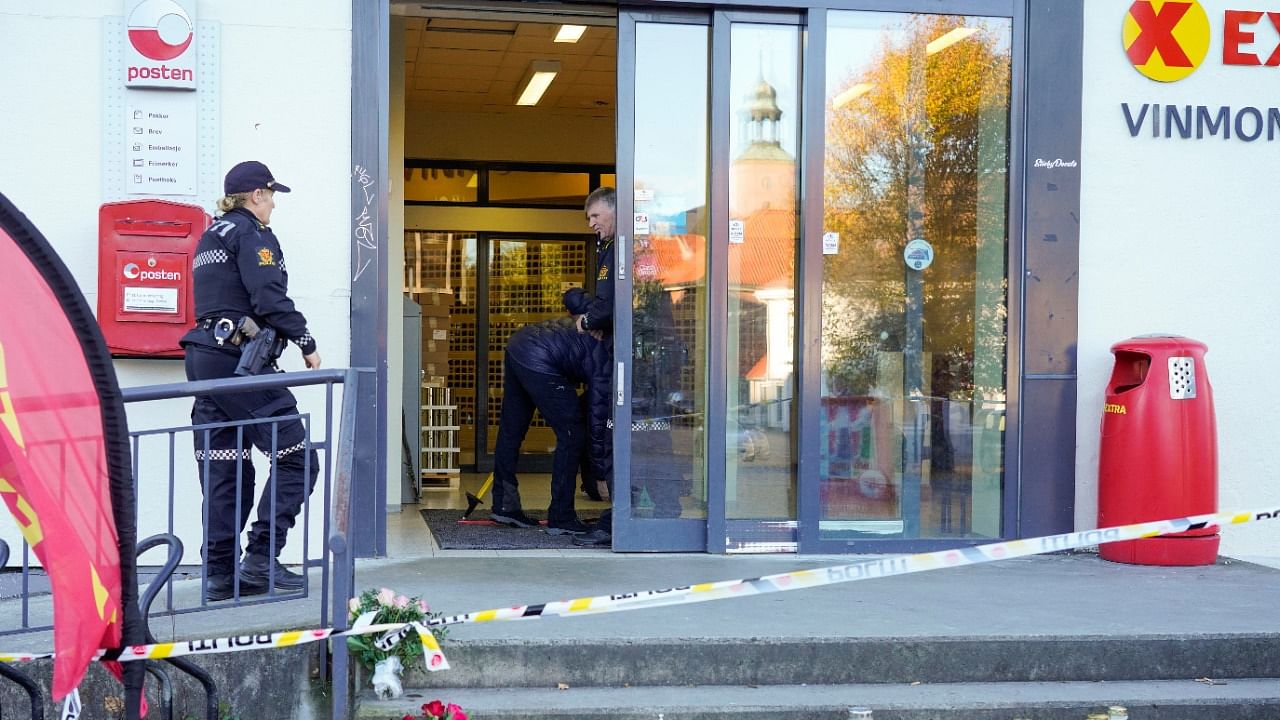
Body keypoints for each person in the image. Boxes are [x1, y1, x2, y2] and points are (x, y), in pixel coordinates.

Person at [180, 160, 321, 601]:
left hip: (205, 360)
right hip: (240, 362)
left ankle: (220, 573)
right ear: (256, 194)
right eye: (272, 195)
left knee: (227, 464)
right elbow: (267, 296)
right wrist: (306, 339)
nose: (274, 205)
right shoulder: (252, 234)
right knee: (297, 456)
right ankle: (261, 559)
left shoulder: (211, 235)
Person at [490, 317, 611, 536]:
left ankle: (504, 504)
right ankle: (561, 516)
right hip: (540, 356)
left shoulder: (598, 323)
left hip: (521, 341)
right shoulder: (609, 362)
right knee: (572, 434)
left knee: (511, 429)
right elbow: (597, 420)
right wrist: (601, 476)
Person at [565, 187, 618, 548]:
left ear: (613, 211)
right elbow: (605, 306)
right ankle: (618, 513)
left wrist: (587, 320)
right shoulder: (608, 250)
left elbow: (608, 306)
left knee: (614, 436)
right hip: (614, 356)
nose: (591, 224)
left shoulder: (621, 251)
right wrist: (597, 315)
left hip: (626, 363)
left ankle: (618, 518)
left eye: (596, 216)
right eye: (588, 218)